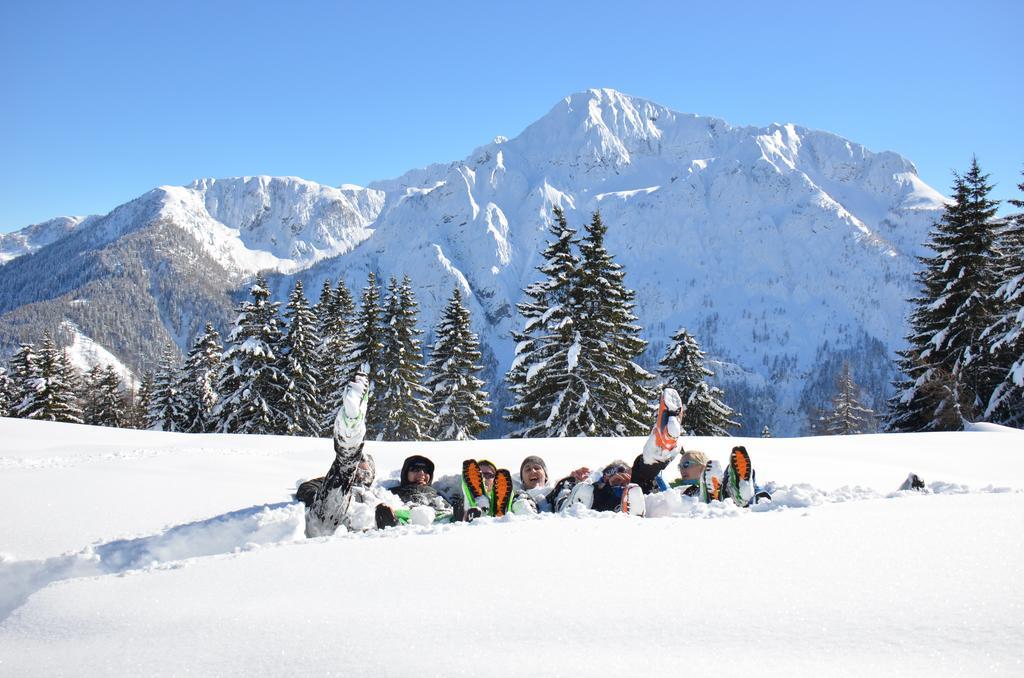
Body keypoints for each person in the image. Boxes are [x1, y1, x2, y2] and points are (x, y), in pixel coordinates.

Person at [304, 373, 372, 538]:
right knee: (344, 467)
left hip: (365, 540)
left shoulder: (385, 493)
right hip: (325, 524)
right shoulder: (327, 480)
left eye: (365, 465)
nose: (361, 469)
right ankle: (350, 425)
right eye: (360, 462)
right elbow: (305, 489)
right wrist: (318, 497)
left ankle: (351, 428)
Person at [378, 454, 455, 526]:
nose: (422, 473)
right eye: (415, 469)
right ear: (405, 473)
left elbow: (448, 508)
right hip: (406, 515)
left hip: (437, 517)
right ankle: (391, 523)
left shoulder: (437, 493)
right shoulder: (393, 492)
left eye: (426, 470)